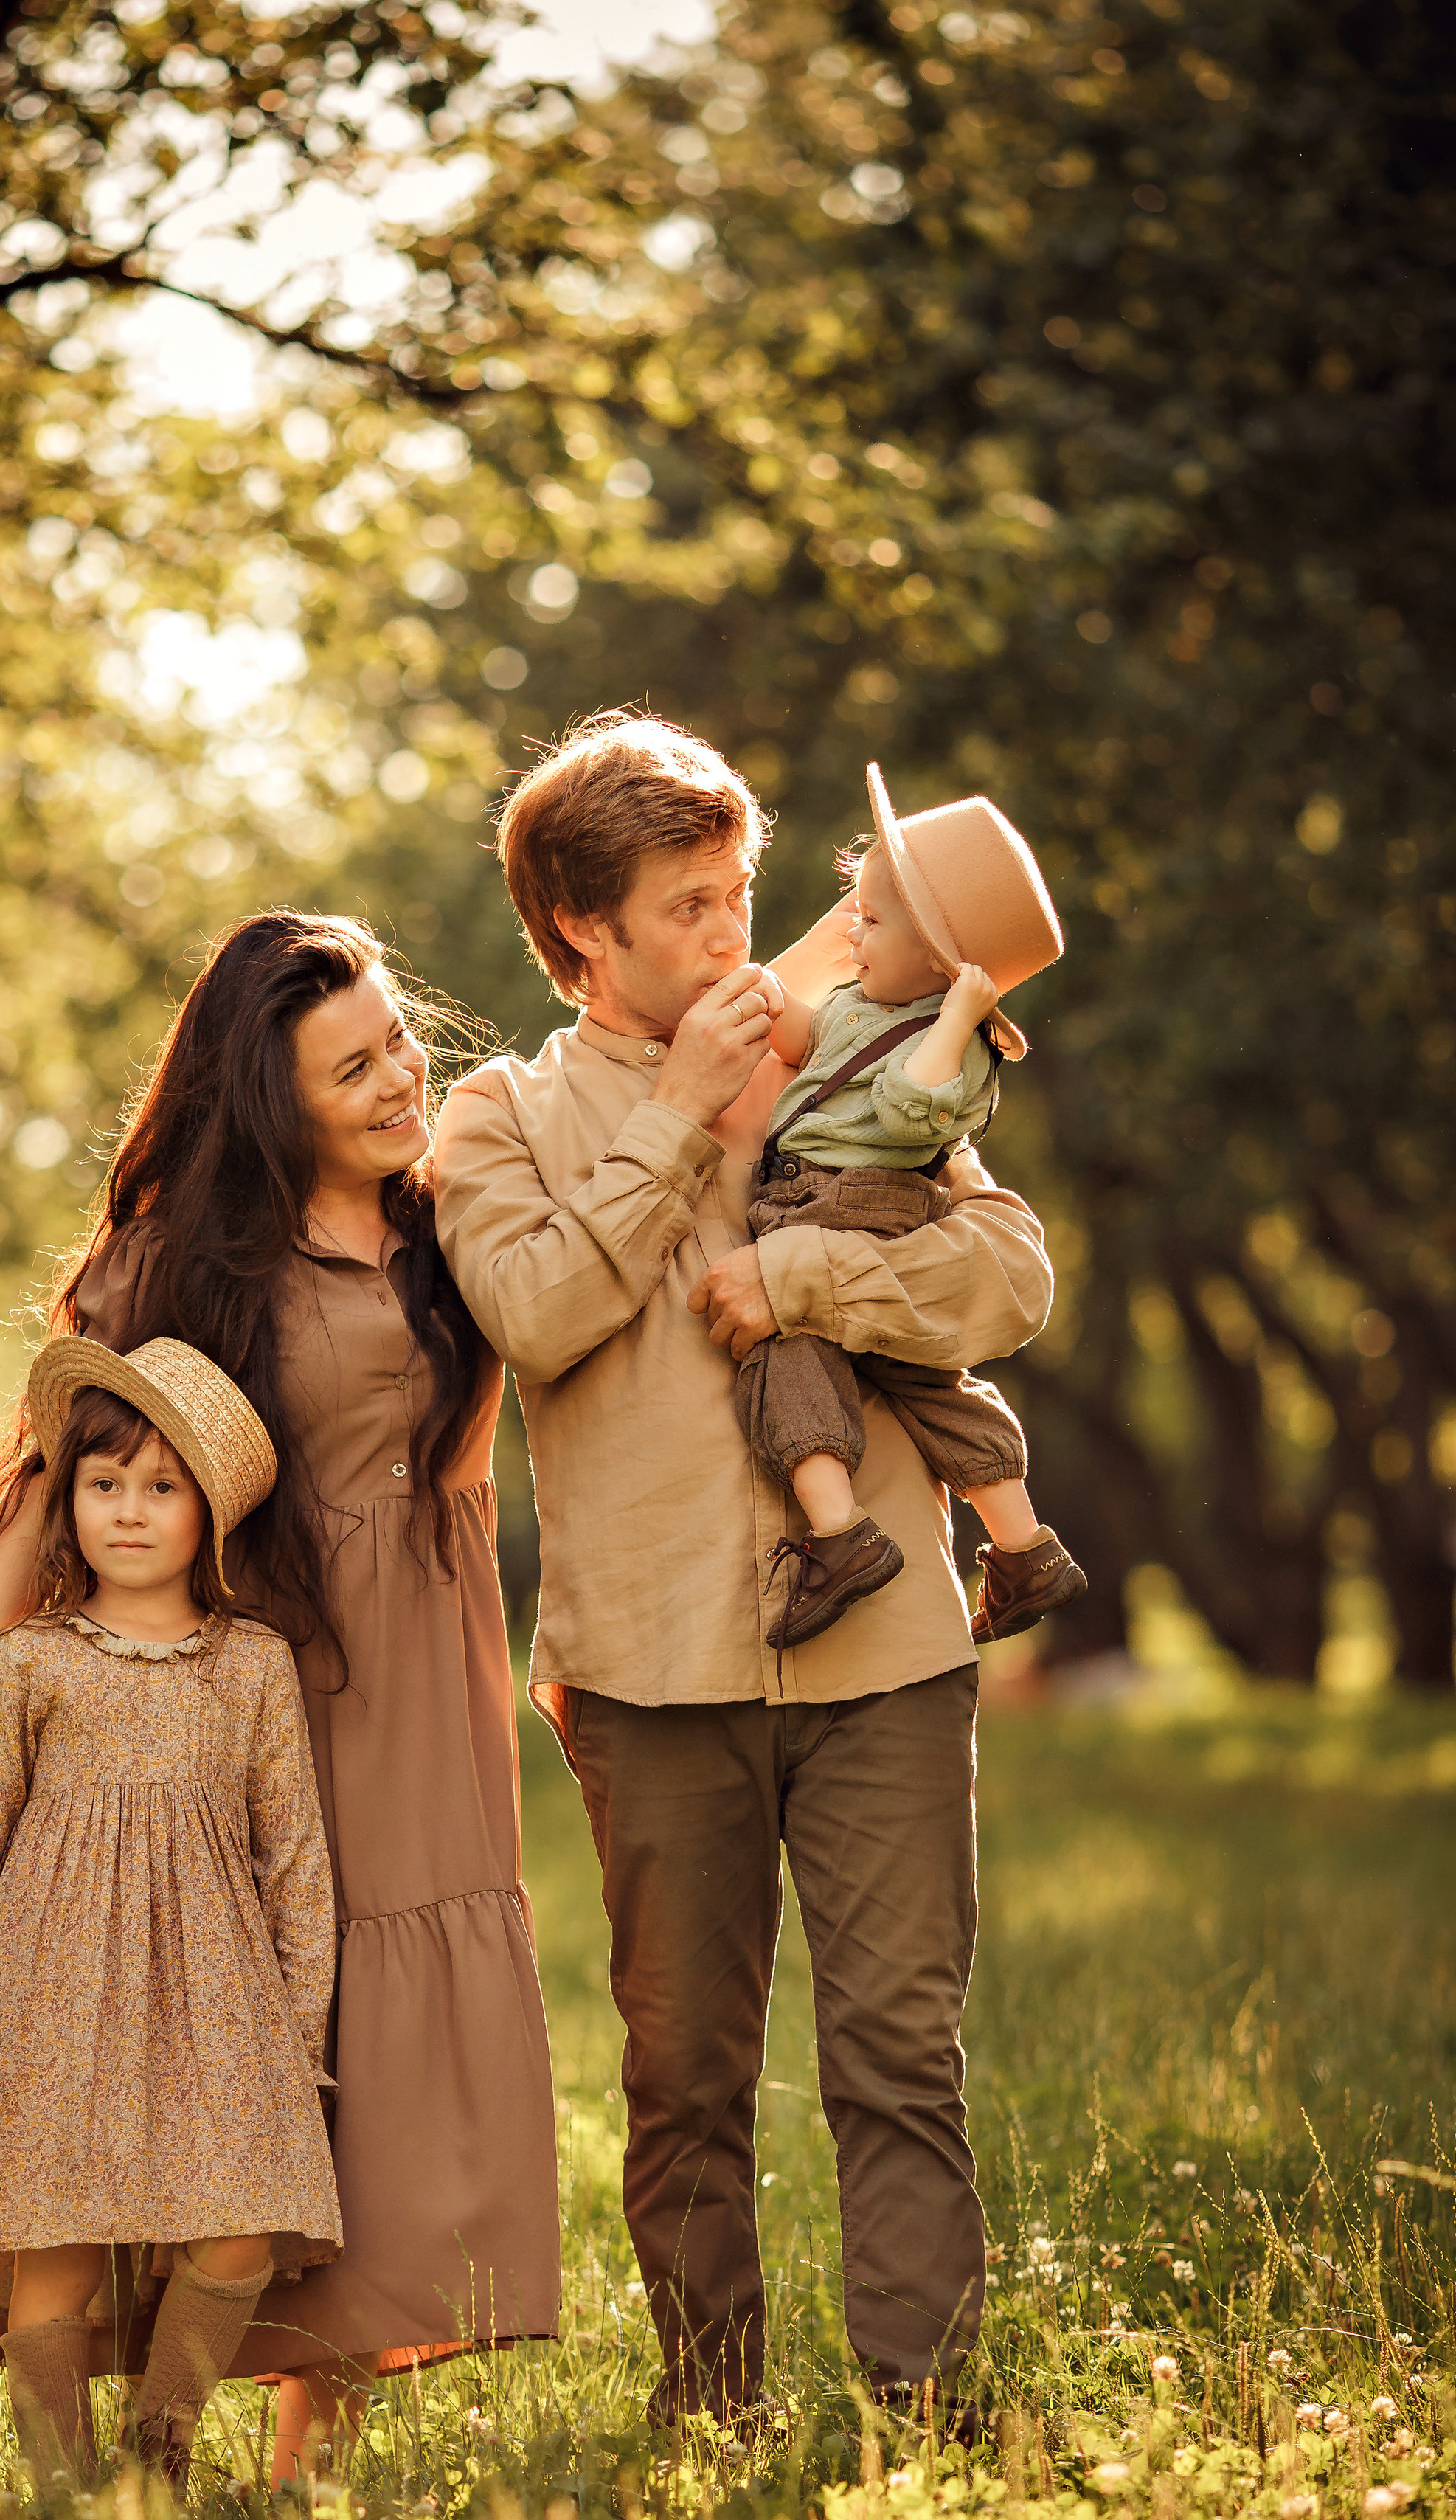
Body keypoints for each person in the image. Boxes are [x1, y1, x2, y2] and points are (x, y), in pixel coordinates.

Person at [432, 712, 1055, 2429]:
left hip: (886, 1657)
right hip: (646, 1670)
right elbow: (533, 1316)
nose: (736, 941)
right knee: (684, 2075)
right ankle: (711, 2408)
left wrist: (810, 1292)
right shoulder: (496, 1117)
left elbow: (1006, 1274)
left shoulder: (852, 1052)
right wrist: (682, 1122)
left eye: (739, 895)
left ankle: (922, 2406)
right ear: (580, 936)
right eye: (687, 909)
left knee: (895, 2055)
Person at [0, 912, 561, 2480]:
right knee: (239, 2031)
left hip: (428, 1669)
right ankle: (128, 2442)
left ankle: (309, 2451)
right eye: (353, 1069)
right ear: (270, 1100)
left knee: (385, 2047)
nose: (402, 1076)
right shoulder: (185, 1258)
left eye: (396, 1039)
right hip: (251, 1674)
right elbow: (53, 1458)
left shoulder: (449, 1216)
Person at [0, 1339, 342, 2488]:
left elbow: (294, 1858)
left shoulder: (250, 1664)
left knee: (237, 2224)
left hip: (219, 1998)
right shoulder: (30, 1663)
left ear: (210, 1513)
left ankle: (160, 2452)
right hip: (49, 1993)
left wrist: (301, 2035)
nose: (128, 1513)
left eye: (160, 1487)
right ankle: (60, 2500)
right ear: (69, 1503)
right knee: (56, 2239)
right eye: (102, 1485)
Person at [738, 763, 1087, 1651]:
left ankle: (837, 1535)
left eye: (873, 919)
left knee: (786, 1349)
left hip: (842, 1207)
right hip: (841, 1202)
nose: (853, 931)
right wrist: (763, 998)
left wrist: (959, 1011)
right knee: (927, 1381)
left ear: (941, 960)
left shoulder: (956, 1047)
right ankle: (1025, 1548)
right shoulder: (866, 1001)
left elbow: (905, 1105)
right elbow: (813, 1047)